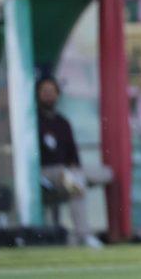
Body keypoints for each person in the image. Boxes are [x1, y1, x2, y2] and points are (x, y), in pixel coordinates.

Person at [36, 76, 102, 248]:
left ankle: (85, 235)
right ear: (38, 94)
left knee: (105, 174)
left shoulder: (62, 122)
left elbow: (73, 154)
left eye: (52, 91)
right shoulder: (33, 121)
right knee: (76, 183)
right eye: (45, 91)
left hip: (66, 172)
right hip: (45, 172)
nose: (48, 95)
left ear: (58, 94)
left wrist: (73, 169)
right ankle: (84, 235)